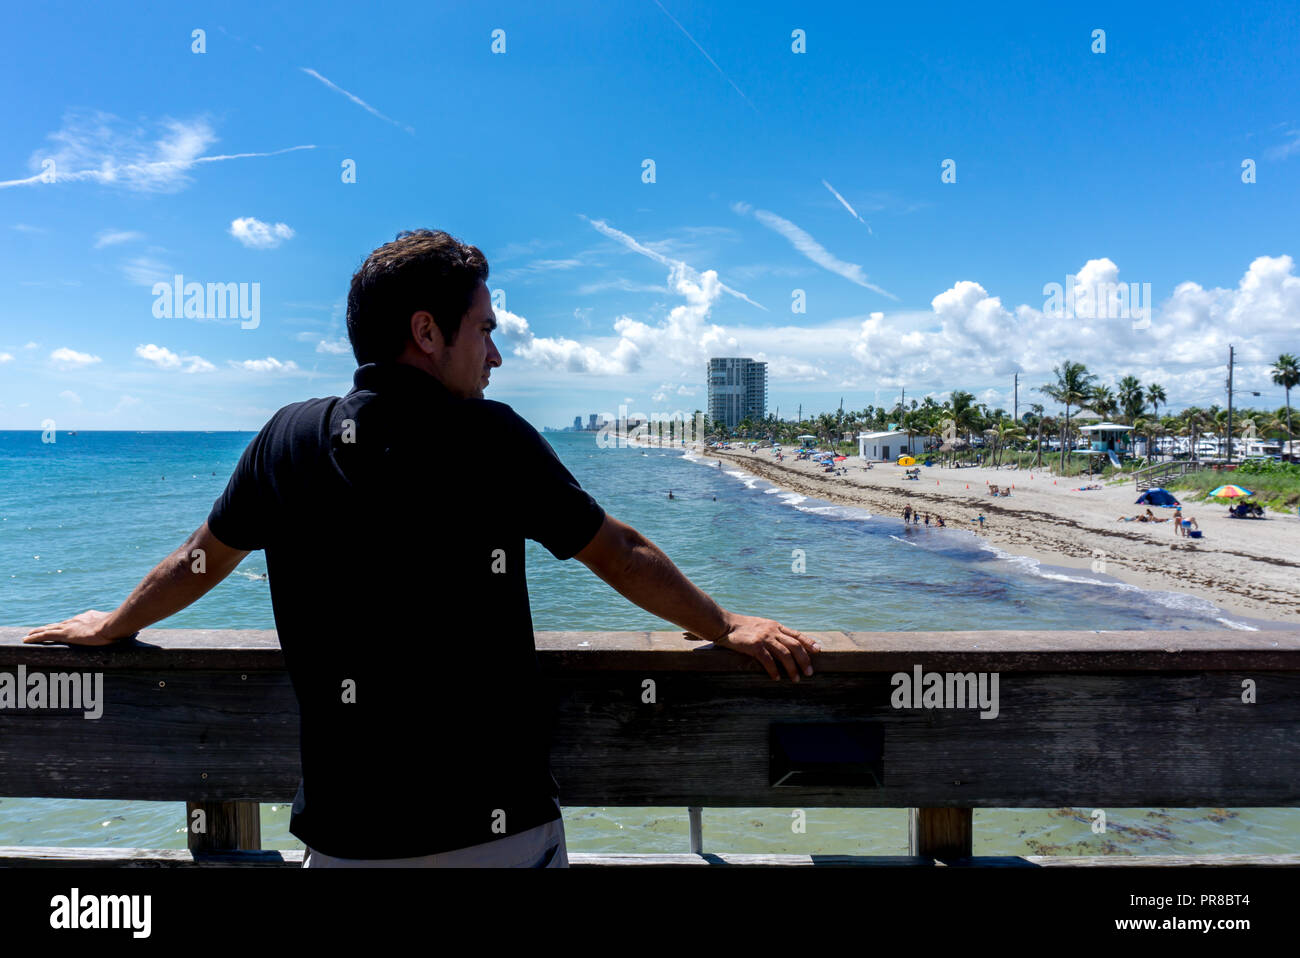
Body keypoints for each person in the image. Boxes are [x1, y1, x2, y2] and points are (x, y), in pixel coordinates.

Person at [22, 228, 819, 869]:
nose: (497, 356)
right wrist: (724, 626)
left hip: (346, 842)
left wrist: (112, 626)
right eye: (485, 332)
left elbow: (200, 559)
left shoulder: (288, 438)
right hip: (494, 835)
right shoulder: (493, 438)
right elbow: (617, 551)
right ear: (426, 332)